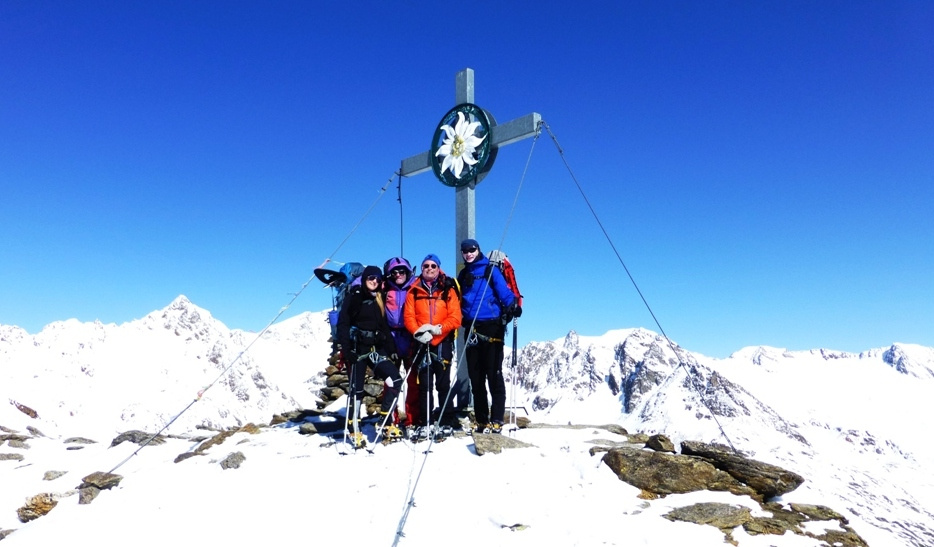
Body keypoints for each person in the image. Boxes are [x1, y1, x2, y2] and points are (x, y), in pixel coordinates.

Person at [336, 265, 404, 447]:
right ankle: (353, 428)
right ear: (365, 279)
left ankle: (385, 419)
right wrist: (347, 349)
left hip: (374, 349)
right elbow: (343, 324)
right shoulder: (355, 297)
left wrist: (392, 350)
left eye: (378, 279)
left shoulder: (378, 299)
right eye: (371, 278)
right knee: (356, 391)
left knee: (395, 381)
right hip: (357, 350)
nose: (374, 281)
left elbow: (383, 327)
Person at [457, 239, 518, 434]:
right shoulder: (464, 274)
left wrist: (512, 306)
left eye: (472, 250)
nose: (468, 253)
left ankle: (497, 418)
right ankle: (482, 420)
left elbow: (504, 292)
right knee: (476, 377)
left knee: (494, 374)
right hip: (472, 328)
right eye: (465, 251)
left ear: (478, 250)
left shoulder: (490, 270)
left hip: (492, 327)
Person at [404, 253, 462, 438]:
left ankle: (445, 420)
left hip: (442, 342)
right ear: (421, 269)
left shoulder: (448, 289)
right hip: (421, 342)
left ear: (438, 268)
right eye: (426, 266)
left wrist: (438, 330)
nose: (429, 269)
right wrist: (419, 332)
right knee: (425, 385)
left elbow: (455, 317)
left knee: (443, 384)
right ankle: (425, 421)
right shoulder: (413, 290)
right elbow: (408, 317)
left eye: (433, 266)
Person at [381, 256, 420, 428]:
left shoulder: (416, 287)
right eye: (394, 272)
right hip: (391, 340)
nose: (398, 274)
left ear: (408, 271)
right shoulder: (384, 288)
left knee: (413, 382)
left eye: (402, 271)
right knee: (391, 381)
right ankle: (391, 418)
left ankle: (412, 419)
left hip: (411, 338)